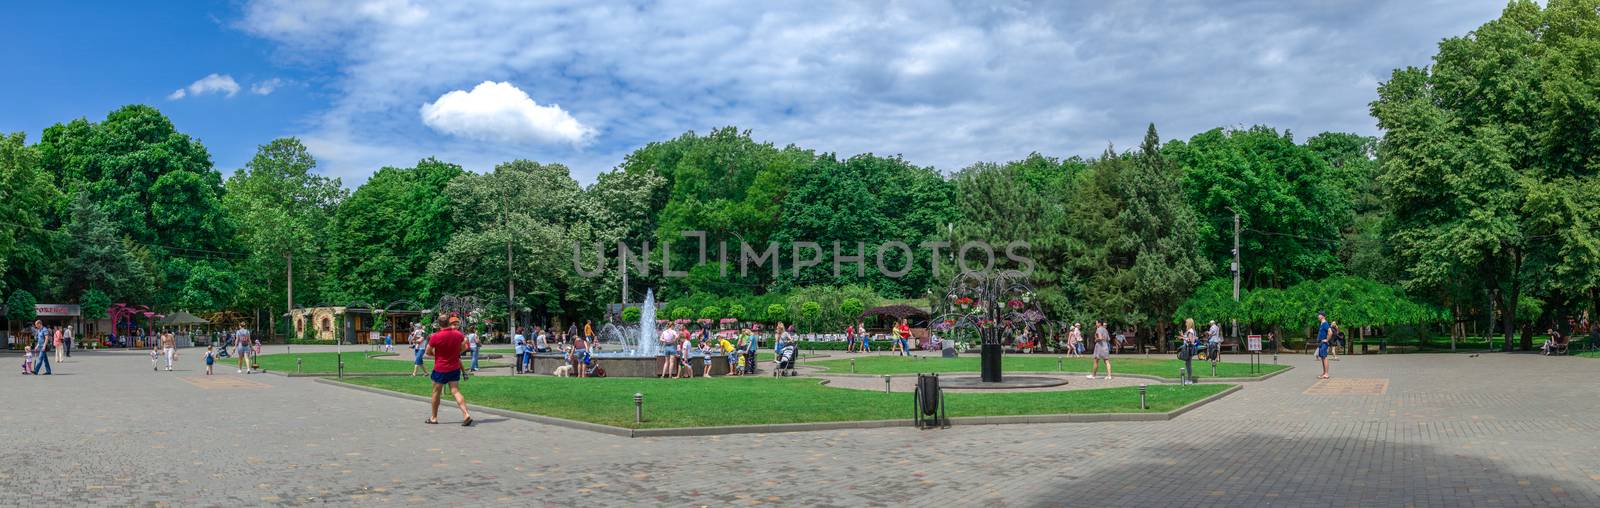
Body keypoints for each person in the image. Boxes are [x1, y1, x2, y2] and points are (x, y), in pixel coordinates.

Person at [425, 315, 473, 427]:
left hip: (440, 368)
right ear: (448, 322)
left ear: (439, 324)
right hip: (454, 367)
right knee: (455, 391)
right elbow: (465, 347)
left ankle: (434, 417)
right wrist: (456, 353)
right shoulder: (458, 334)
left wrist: (436, 354)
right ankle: (466, 414)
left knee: (436, 393)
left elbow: (427, 351)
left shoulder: (435, 337)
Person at [1180, 319, 1199, 385]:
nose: (1185, 324)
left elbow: (1191, 341)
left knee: (1188, 365)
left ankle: (1189, 380)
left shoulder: (1190, 331)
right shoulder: (1190, 331)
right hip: (1189, 349)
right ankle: (1189, 379)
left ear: (1189, 323)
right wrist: (1183, 336)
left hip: (1188, 349)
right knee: (1187, 364)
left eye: (1186, 322)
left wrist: (1183, 338)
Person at [1315, 312, 1331, 380]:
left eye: (1319, 315)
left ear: (1323, 316)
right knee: (1322, 358)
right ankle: (1324, 373)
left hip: (1324, 344)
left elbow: (1330, 332)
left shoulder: (1325, 323)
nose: (1318, 316)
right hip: (1321, 343)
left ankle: (1326, 374)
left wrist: (1327, 340)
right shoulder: (1322, 323)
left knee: (1325, 357)